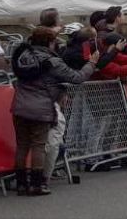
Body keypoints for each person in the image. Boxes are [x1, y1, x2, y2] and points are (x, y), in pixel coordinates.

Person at [10, 27, 103, 196]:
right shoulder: (52, 61)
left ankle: (21, 183)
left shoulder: (22, 56)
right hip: (41, 107)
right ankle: (38, 184)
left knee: (22, 145)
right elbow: (77, 78)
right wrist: (91, 63)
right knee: (38, 145)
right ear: (50, 42)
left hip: (19, 105)